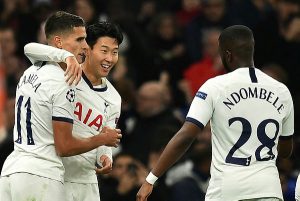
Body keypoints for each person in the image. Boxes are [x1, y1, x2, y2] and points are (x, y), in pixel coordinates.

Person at [137, 25, 294, 201]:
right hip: (268, 188)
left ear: (227, 55)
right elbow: (286, 150)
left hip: (227, 189)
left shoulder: (215, 87)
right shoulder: (282, 91)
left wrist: (151, 178)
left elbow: (186, 136)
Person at [0, 11, 122, 201]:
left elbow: (106, 134)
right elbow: (65, 145)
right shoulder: (66, 77)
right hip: (50, 173)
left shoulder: (114, 98)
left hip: (83, 180)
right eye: (104, 50)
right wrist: (66, 56)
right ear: (89, 50)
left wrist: (106, 155)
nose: (109, 58)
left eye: (115, 52)